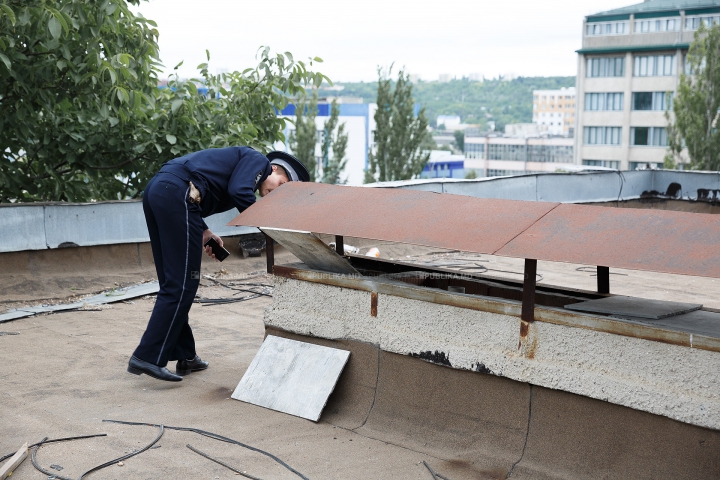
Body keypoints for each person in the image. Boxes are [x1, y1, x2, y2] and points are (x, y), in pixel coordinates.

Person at [127, 147, 309, 382]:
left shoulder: (242, 166)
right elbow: (238, 191)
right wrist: (269, 227)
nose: (275, 193)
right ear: (273, 168)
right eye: (281, 184)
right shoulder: (258, 161)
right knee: (182, 284)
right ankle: (148, 356)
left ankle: (185, 355)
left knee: (174, 281)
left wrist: (203, 231)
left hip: (161, 191)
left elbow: (195, 189)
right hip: (175, 192)